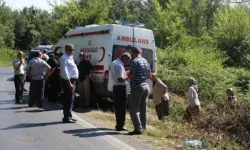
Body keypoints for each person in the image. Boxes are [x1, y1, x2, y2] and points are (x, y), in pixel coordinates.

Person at [128, 47, 151, 135]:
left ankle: (138, 129)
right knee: (143, 108)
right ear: (141, 53)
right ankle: (143, 126)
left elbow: (131, 75)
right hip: (146, 86)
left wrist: (127, 74)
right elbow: (149, 75)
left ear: (133, 52)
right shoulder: (146, 61)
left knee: (133, 109)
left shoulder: (134, 61)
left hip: (137, 87)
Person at [111, 52, 132, 131]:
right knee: (122, 108)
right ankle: (121, 125)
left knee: (118, 107)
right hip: (120, 87)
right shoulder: (119, 65)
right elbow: (120, 79)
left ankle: (118, 124)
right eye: (128, 60)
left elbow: (118, 75)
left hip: (116, 87)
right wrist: (128, 76)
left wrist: (125, 73)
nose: (128, 62)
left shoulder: (114, 62)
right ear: (124, 58)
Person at [60, 44, 79, 123]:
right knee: (68, 99)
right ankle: (66, 117)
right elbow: (65, 72)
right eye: (70, 49)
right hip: (69, 81)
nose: (72, 51)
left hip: (73, 80)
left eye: (73, 49)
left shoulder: (70, 58)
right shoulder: (64, 58)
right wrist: (69, 83)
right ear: (66, 50)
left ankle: (69, 115)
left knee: (71, 99)